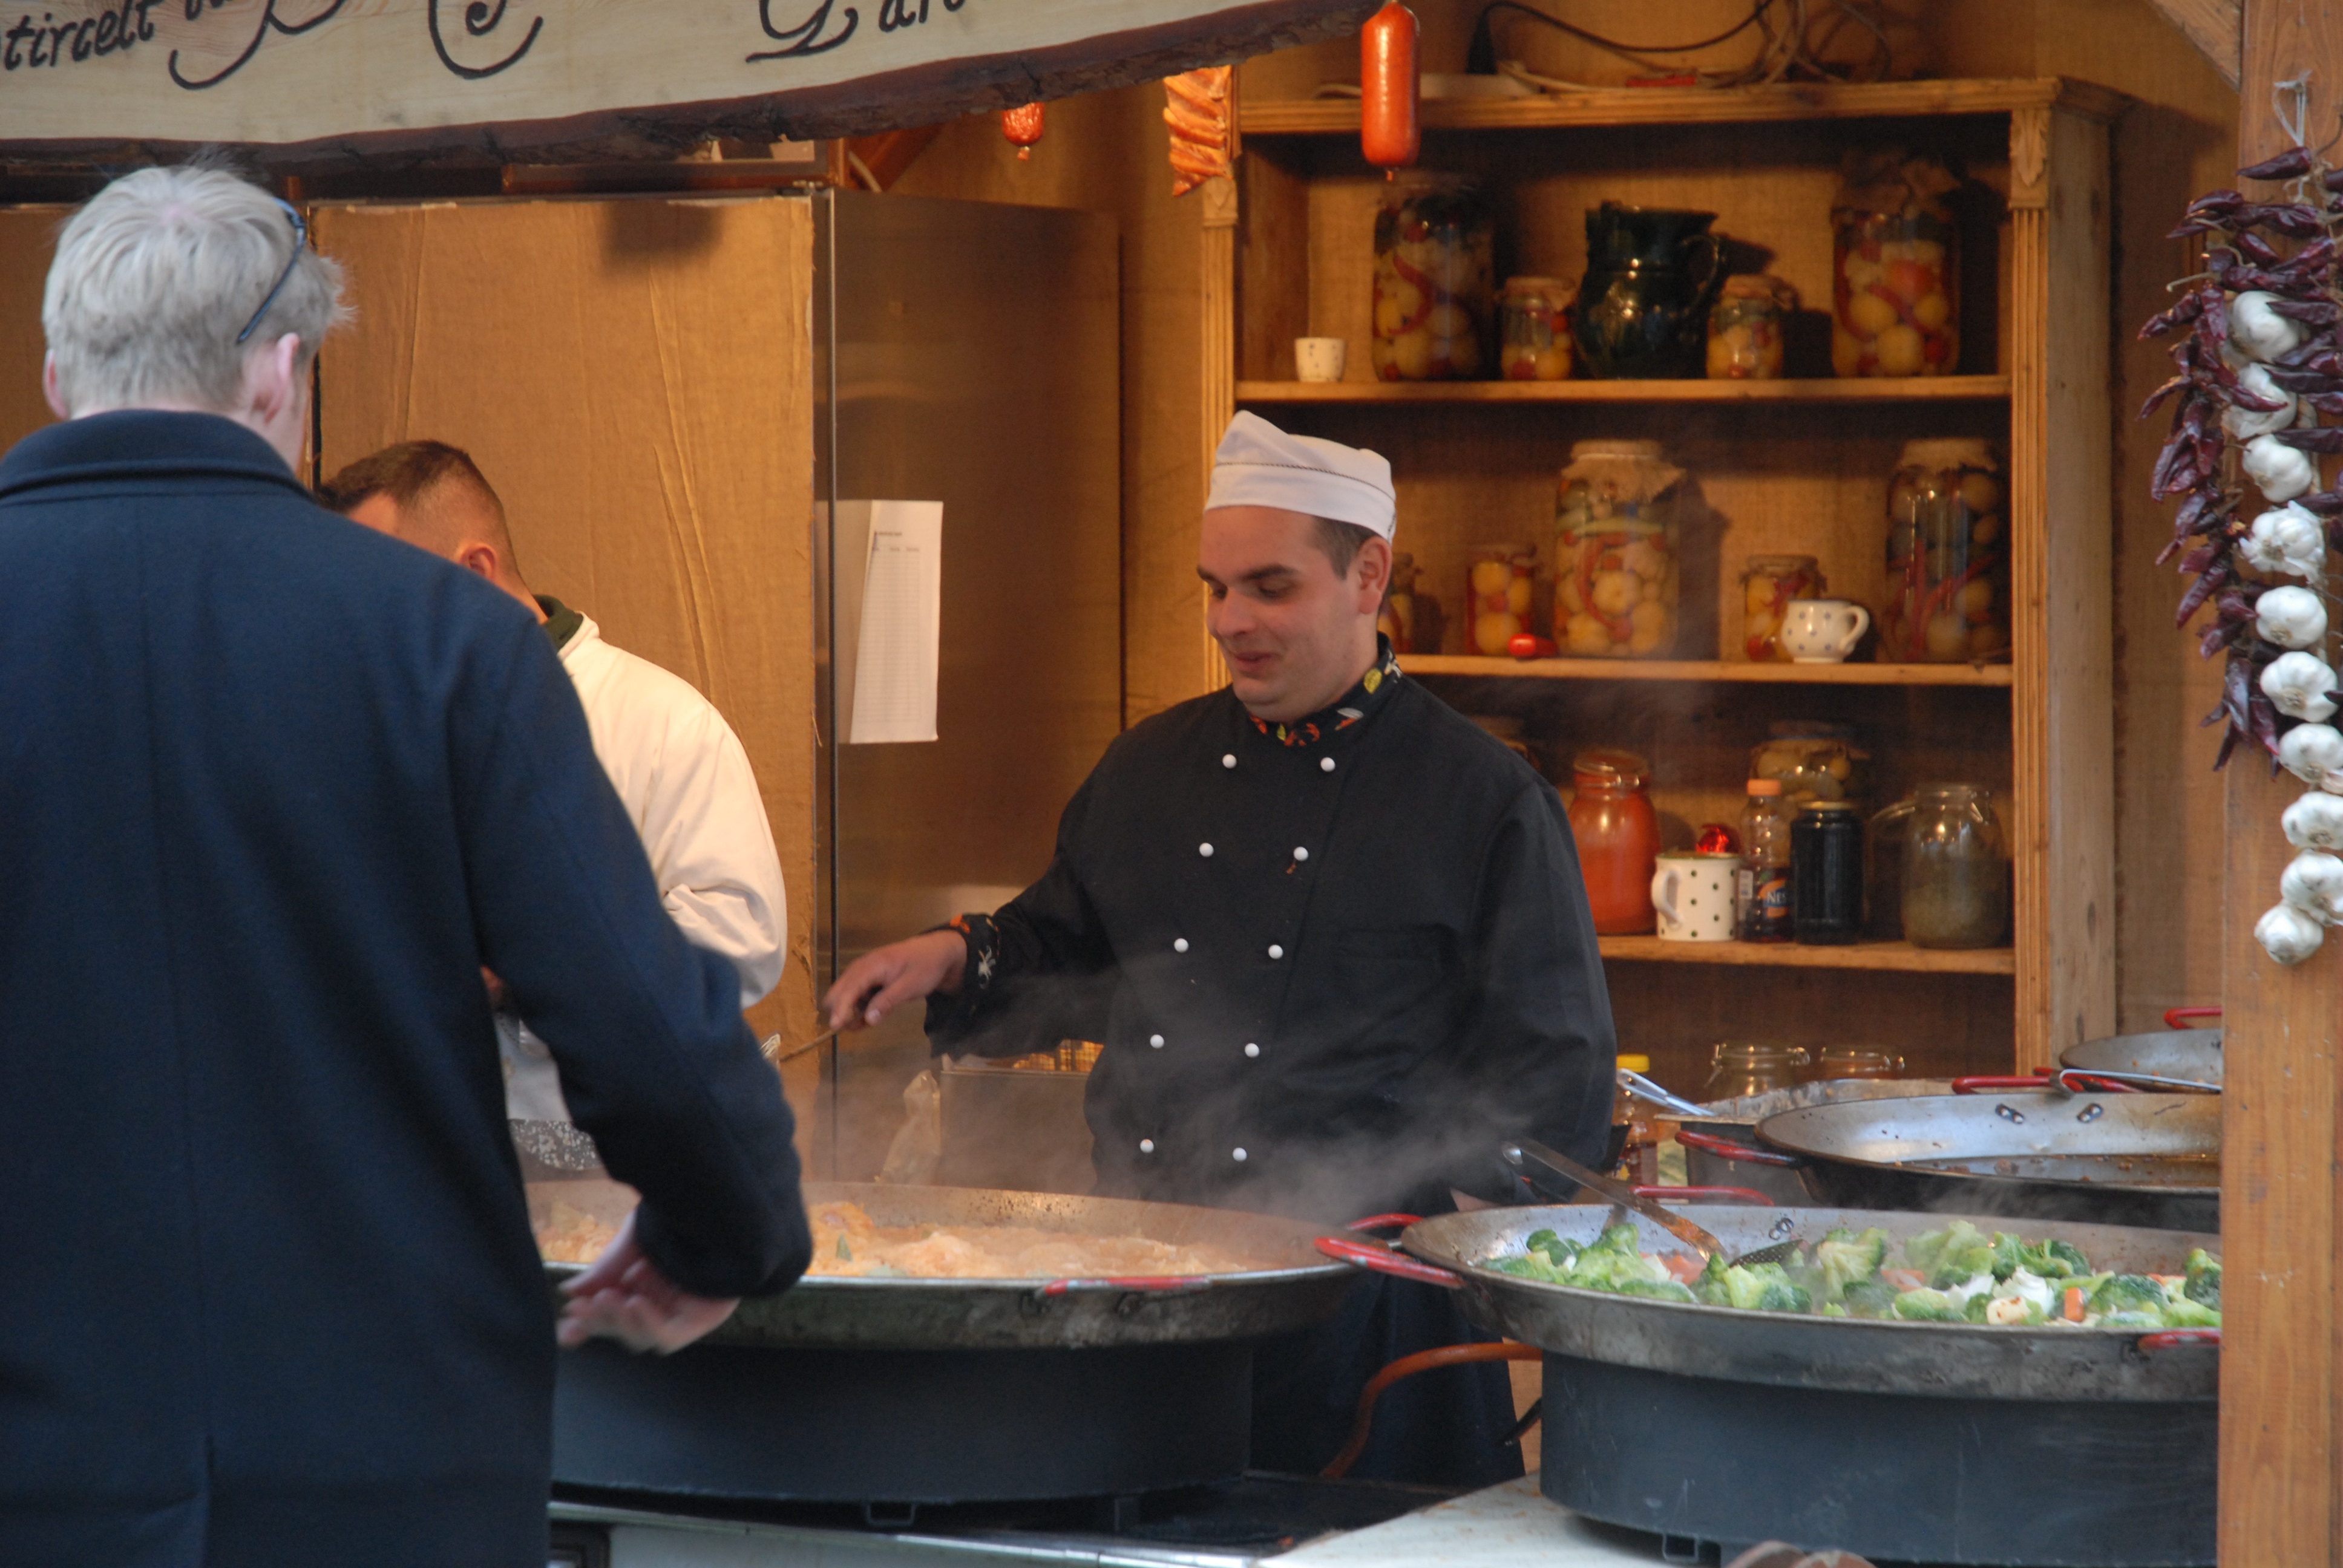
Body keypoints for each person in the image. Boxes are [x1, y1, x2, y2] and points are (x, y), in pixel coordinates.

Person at [0, 165, 810, 1566]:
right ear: (283, 373)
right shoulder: (447, 640)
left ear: (58, 375)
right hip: (385, 1454)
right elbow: (637, 1013)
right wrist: (722, 1236)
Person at [825, 410, 1614, 1487]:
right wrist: (951, 954)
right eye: (1214, 587)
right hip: (1146, 1288)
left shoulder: (1481, 797)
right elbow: (1066, 945)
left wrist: (1467, 1254)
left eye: (1268, 588)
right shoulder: (1150, 768)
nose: (1230, 620)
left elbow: (1552, 1075)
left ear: (1368, 575)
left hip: (1370, 1316)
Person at [319, 442, 788, 1123]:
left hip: (599, 1146)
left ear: (475, 571)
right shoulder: (371, 733)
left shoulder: (661, 724)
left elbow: (738, 941)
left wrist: (522, 971)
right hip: (421, 1132)